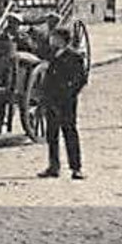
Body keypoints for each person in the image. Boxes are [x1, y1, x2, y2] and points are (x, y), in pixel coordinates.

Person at [36, 26, 87, 180]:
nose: (52, 40)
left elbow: (81, 79)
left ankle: (76, 168)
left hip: (67, 101)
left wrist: (69, 93)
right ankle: (53, 166)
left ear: (63, 40)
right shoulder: (52, 55)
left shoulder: (75, 56)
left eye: (55, 37)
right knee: (52, 134)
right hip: (51, 100)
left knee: (69, 132)